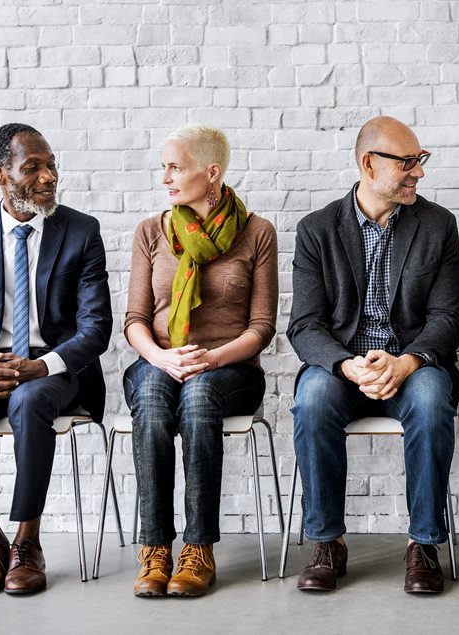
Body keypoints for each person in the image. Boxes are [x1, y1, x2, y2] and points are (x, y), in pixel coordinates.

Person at [286, 116, 459, 595]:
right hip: (343, 366)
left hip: (412, 365)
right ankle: (327, 541)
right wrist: (347, 364)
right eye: (407, 162)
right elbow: (304, 325)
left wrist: (407, 362)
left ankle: (424, 544)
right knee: (313, 400)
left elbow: (448, 317)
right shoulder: (317, 229)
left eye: (419, 160)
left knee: (430, 401)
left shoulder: (437, 225)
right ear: (369, 163)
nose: (418, 172)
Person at [0, 123, 112, 595]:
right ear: (0, 175)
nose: (49, 177)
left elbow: (96, 329)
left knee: (31, 400)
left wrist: (38, 365)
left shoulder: (81, 230)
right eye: (32, 168)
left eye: (51, 165)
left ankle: (28, 541)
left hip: (56, 371)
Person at [124, 125, 277, 598]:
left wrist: (211, 359)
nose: (165, 177)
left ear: (211, 173)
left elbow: (261, 328)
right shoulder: (152, 231)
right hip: (160, 359)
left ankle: (198, 547)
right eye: (163, 167)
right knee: (151, 396)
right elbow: (134, 320)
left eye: (176, 166)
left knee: (200, 394)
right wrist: (162, 357)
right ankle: (155, 548)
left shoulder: (256, 233)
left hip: (231, 369)